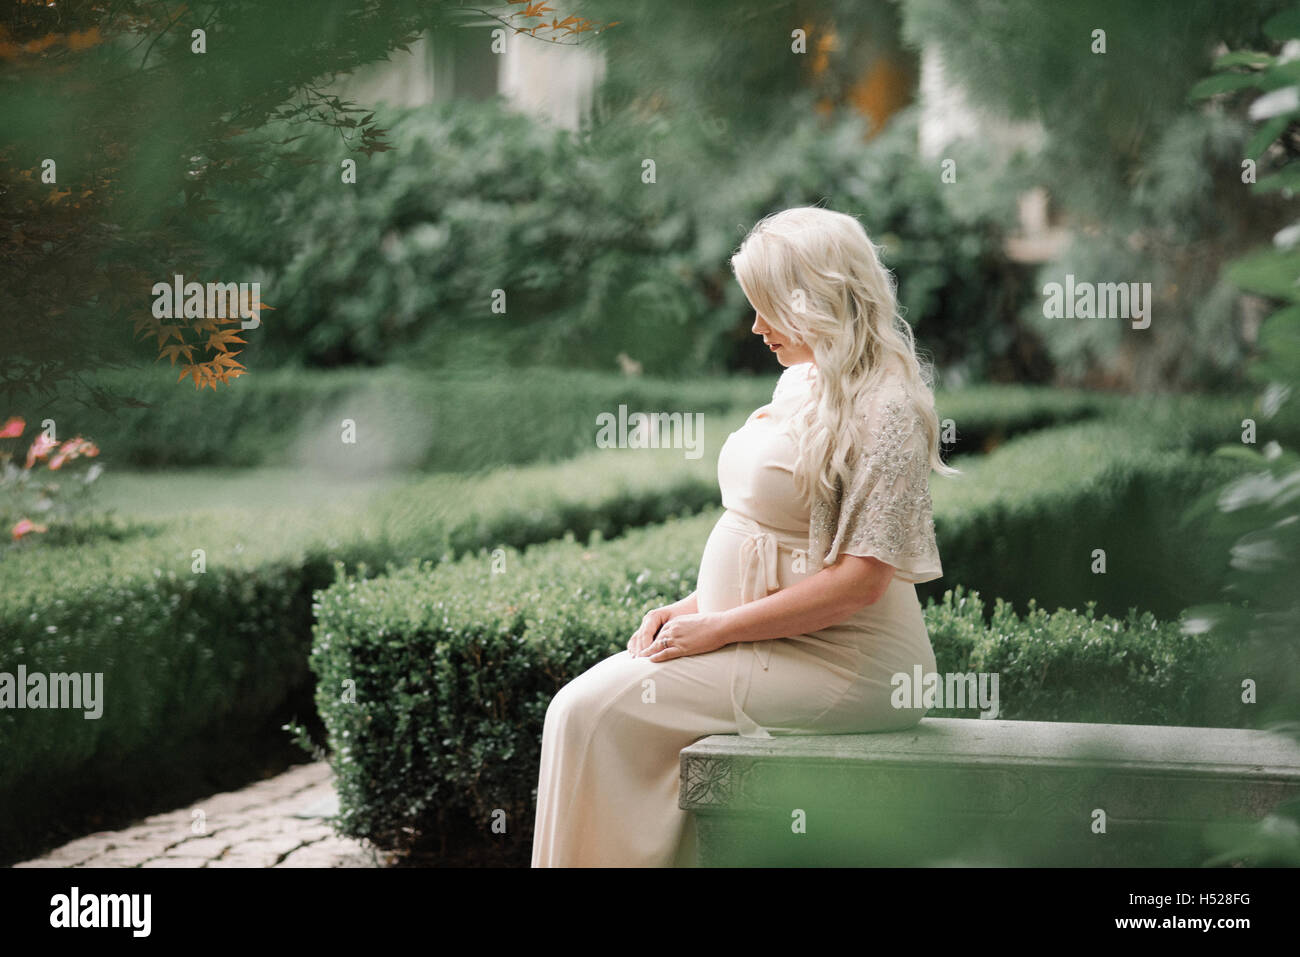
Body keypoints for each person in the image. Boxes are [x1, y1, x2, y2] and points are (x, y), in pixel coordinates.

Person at [531, 205, 955, 867]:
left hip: (849, 664)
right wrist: (695, 607)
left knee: (592, 710)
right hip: (773, 641)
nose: (755, 326)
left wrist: (719, 629)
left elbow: (861, 580)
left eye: (766, 308)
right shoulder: (802, 378)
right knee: (573, 711)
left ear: (815, 298)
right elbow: (780, 547)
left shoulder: (888, 406)